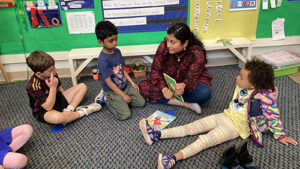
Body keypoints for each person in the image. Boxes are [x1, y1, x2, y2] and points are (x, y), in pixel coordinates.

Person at [139, 59, 298, 169]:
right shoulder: (243, 85)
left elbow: (273, 117)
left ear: (254, 85)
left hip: (235, 129)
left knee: (204, 141)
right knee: (191, 127)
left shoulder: (264, 99)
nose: (236, 77)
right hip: (225, 115)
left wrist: (280, 135)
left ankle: (172, 159)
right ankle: (156, 135)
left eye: (241, 77)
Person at [139, 23, 212, 114]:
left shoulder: (196, 52)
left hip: (187, 86)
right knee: (143, 85)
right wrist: (164, 89)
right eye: (167, 40)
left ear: (185, 43)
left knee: (204, 93)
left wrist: (184, 85)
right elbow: (155, 71)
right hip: (167, 84)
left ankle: (163, 98)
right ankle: (186, 104)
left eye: (173, 42)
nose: (168, 45)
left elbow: (192, 78)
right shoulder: (163, 46)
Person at [26, 50, 101, 125]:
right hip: (45, 111)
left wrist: (67, 103)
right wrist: (52, 87)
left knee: (82, 86)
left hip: (57, 100)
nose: (55, 70)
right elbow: (48, 107)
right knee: (58, 118)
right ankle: (83, 112)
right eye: (51, 70)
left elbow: (60, 90)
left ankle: (68, 110)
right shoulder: (33, 86)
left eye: (54, 67)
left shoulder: (53, 74)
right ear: (39, 73)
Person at [95, 21, 145, 120]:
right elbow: (108, 82)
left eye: (116, 39)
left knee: (141, 103)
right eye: (111, 41)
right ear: (100, 42)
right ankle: (106, 98)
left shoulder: (117, 51)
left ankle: (121, 101)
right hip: (112, 91)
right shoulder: (103, 60)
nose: (115, 43)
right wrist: (123, 95)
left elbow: (122, 70)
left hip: (124, 86)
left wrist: (132, 82)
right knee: (125, 115)